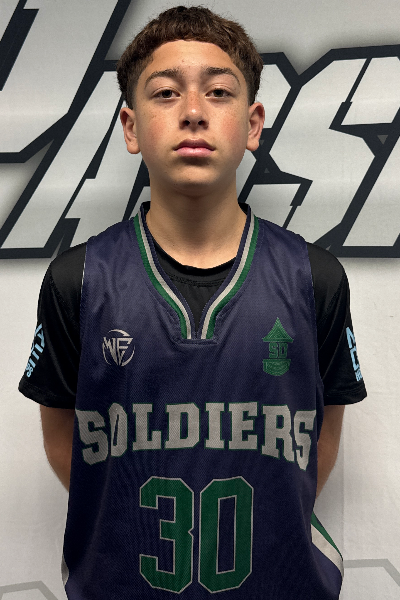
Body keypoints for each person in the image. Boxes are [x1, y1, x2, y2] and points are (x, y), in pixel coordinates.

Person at [19, 6, 366, 599]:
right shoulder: (79, 278)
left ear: (252, 124)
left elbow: (320, 436)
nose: (194, 111)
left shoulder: (316, 278)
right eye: (166, 92)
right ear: (131, 127)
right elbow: (61, 436)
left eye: (219, 91)